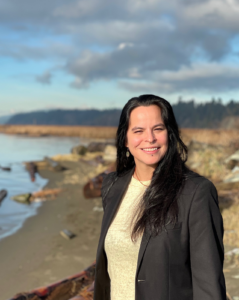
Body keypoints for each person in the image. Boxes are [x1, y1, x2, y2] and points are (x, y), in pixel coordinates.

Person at [94, 94, 226, 300]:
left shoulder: (196, 192)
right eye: (138, 131)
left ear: (170, 134)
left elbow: (208, 280)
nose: (150, 138)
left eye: (158, 129)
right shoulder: (112, 185)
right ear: (125, 140)